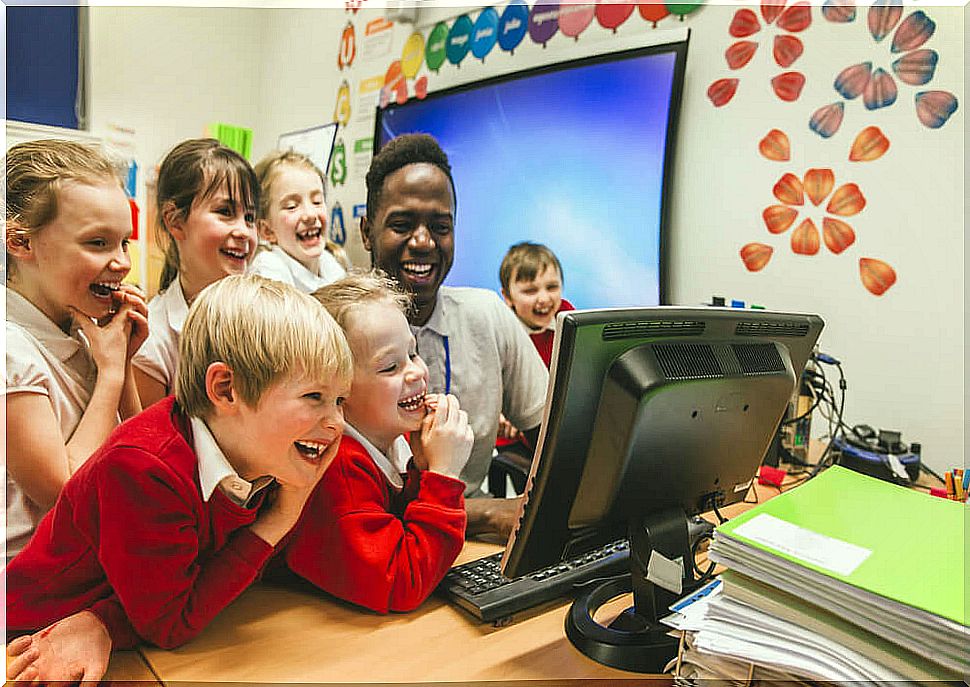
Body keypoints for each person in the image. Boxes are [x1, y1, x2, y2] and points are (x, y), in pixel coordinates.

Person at [5, 274, 352, 684]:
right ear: (224, 390)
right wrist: (282, 517)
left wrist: (104, 622)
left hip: (122, 635)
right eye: (315, 397)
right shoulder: (145, 469)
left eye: (341, 401)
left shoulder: (269, 451)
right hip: (34, 644)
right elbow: (169, 624)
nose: (336, 423)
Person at [360, 133, 548, 539]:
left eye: (440, 226)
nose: (424, 241)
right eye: (402, 224)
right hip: (376, 544)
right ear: (366, 231)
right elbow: (341, 508)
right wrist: (484, 513)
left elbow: (556, 440)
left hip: (470, 547)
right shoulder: (330, 330)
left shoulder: (487, 316)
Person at [281, 271, 472, 612]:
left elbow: (398, 533)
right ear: (339, 391)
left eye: (413, 354)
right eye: (389, 367)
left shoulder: (389, 439)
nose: (416, 372)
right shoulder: (337, 466)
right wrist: (443, 475)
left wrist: (422, 469)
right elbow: (400, 584)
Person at [4, 139, 148, 560]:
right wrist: (111, 376)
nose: (121, 262)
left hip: (77, 562)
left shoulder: (82, 325)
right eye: (98, 243)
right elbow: (65, 493)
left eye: (124, 243)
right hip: (21, 586)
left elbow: (138, 458)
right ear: (22, 242)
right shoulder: (10, 349)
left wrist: (119, 367)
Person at [132, 138, 259, 408]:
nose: (244, 231)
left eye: (249, 217)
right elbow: (149, 446)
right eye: (225, 212)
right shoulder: (152, 341)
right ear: (175, 221)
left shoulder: (269, 315)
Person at [250, 149, 349, 291]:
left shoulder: (329, 263)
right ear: (267, 230)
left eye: (317, 201)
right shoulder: (267, 270)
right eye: (292, 207)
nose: (310, 215)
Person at [499, 241, 576, 368]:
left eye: (552, 287)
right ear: (507, 297)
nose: (544, 299)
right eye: (530, 291)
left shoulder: (565, 313)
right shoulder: (503, 332)